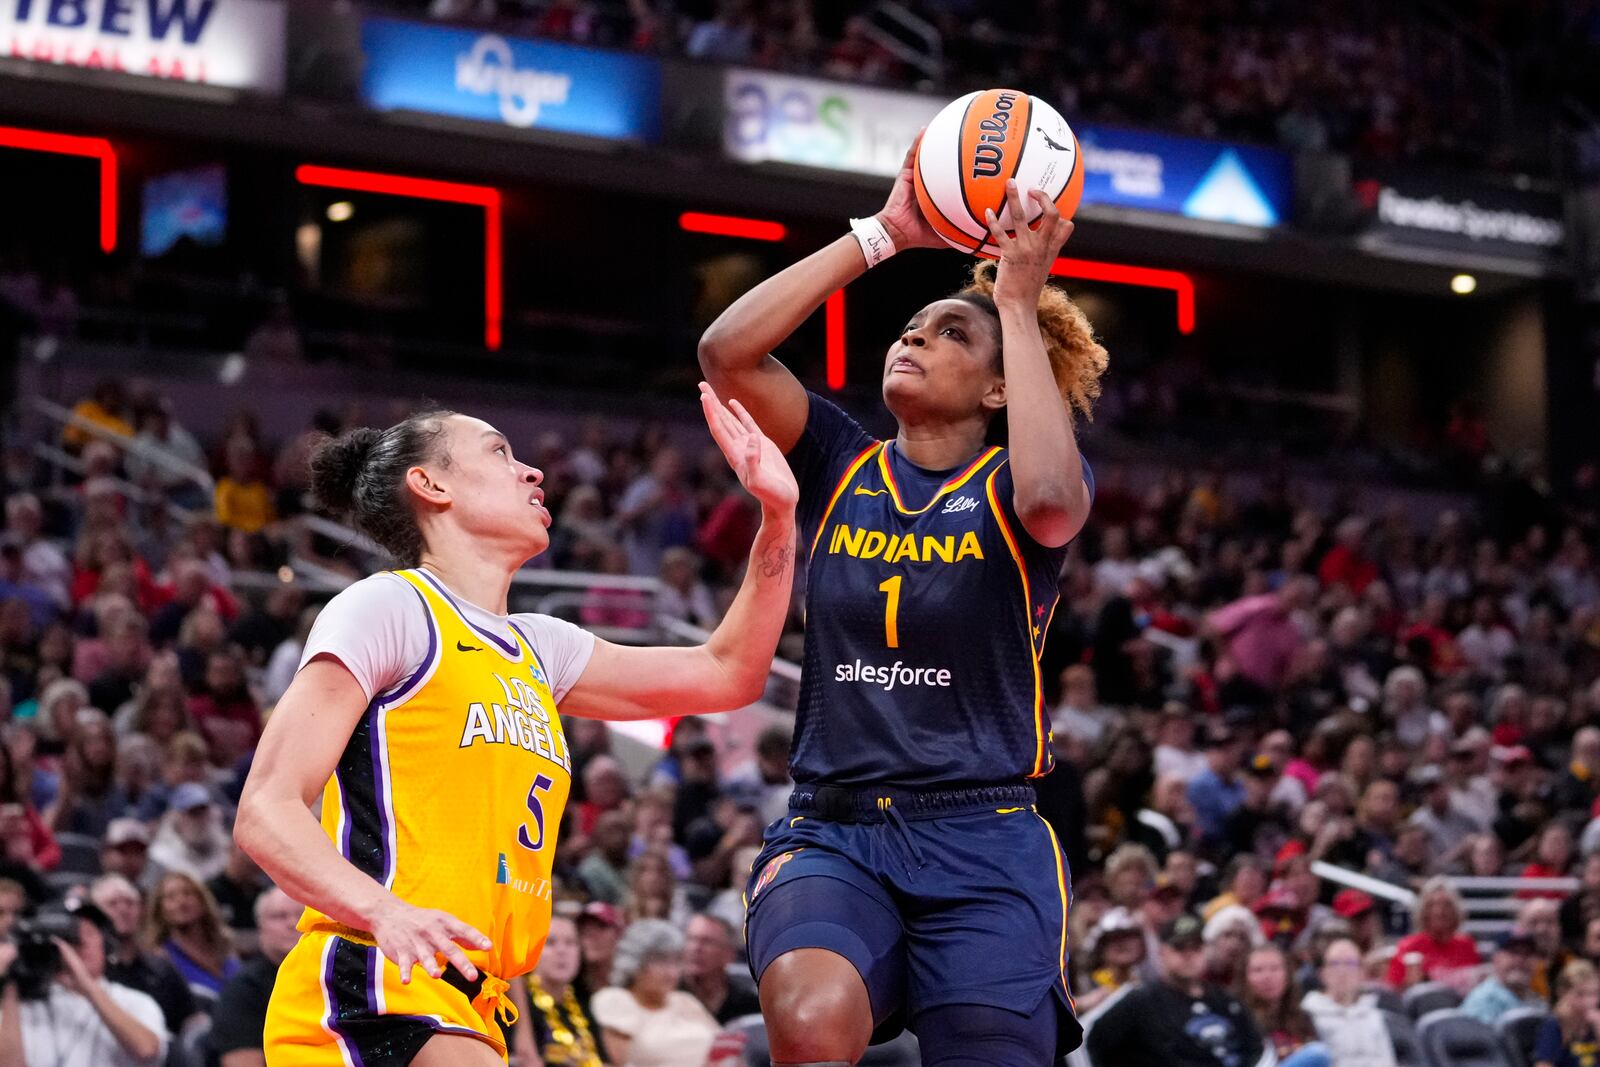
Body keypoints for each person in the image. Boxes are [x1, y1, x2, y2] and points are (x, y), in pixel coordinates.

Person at [237, 393, 798, 1066]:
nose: (532, 470)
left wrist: (778, 515)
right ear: (431, 483)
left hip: (474, 1001)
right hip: (379, 977)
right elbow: (266, 808)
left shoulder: (541, 648)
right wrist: (382, 909)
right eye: (500, 452)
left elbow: (728, 672)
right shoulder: (392, 606)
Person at [700, 136, 1104, 1064]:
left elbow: (1052, 503)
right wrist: (882, 233)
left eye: (949, 333)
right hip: (837, 828)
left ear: (1002, 386)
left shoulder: (1022, 483)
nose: (914, 336)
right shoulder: (842, 459)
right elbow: (727, 351)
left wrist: (1012, 298)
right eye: (912, 326)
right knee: (806, 1014)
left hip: (985, 835)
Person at [0, 898, 169, 1067]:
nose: (81, 942)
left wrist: (87, 986)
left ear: (106, 944)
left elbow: (147, 1050)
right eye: (70, 935)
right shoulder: (25, 1004)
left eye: (88, 932)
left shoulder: (133, 1001)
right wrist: (11, 983)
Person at [1086, 914, 1271, 1067]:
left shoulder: (1227, 1000)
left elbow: (1259, 1051)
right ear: (1162, 952)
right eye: (1180, 948)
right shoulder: (1138, 1002)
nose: (1189, 955)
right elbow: (1087, 1042)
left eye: (1196, 947)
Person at [590, 919, 720, 1067]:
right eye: (661, 961)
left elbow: (724, 1045)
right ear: (635, 963)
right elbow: (620, 1063)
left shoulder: (686, 1001)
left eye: (675, 962)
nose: (671, 973)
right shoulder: (615, 1001)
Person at [89, 874, 198, 1037]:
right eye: (112, 903)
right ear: (94, 913)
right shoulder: (90, 971)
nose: (123, 909)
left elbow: (192, 1018)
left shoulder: (161, 967)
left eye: (130, 903)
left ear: (141, 910)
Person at [208, 887, 301, 1067]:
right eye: (279, 916)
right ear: (260, 926)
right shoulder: (245, 989)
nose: (293, 924)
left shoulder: (326, 977)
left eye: (300, 916)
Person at [506, 912, 604, 1067]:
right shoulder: (516, 1006)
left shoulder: (583, 1001)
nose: (562, 951)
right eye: (550, 943)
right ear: (530, 950)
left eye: (571, 943)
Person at [144, 871, 239, 1005]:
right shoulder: (160, 957)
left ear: (203, 901)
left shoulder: (225, 945)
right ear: (160, 909)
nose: (181, 902)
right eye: (171, 897)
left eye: (188, 894)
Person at [1302, 938, 1398, 1067]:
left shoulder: (1375, 1014)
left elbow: (1388, 1060)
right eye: (1335, 963)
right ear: (1322, 973)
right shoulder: (1307, 1014)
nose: (1342, 971)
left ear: (1362, 973)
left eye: (1350, 963)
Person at [1238, 944, 1329, 1067]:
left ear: (1288, 975)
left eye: (1275, 968)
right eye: (1258, 970)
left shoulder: (1303, 1018)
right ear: (1244, 978)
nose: (1267, 977)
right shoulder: (1237, 1019)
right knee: (1317, 1054)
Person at [1384, 877, 1481, 991]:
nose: (1439, 912)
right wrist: (1409, 983)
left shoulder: (1466, 945)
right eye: (1431, 905)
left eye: (1446, 905)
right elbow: (1392, 990)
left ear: (1455, 911)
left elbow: (1475, 989)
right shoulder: (1409, 947)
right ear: (1423, 910)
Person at [681, 912, 760, 1024]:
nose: (696, 948)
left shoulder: (750, 1007)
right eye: (691, 939)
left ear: (729, 954)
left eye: (707, 942)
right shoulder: (666, 997)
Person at [1461, 929, 1546, 1024]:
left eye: (1528, 954)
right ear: (1496, 959)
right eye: (1514, 953)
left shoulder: (1537, 1000)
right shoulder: (1484, 1000)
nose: (1520, 959)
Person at [1534, 961, 1600, 1067]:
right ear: (1563, 993)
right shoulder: (1554, 1025)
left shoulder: (1595, 1022)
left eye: (1595, 993)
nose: (1590, 1002)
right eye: (1581, 994)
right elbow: (1543, 1064)